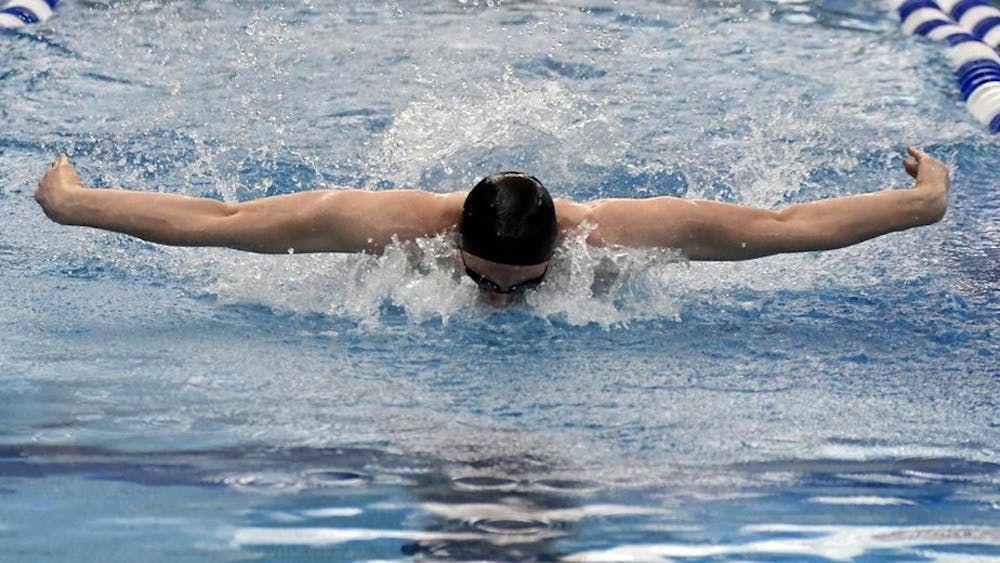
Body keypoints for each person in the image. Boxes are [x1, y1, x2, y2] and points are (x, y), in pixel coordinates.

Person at [35, 147, 950, 307]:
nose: (500, 301)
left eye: (523, 285)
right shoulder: (376, 223)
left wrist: (925, 201)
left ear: (562, 252)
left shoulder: (616, 234)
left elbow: (784, 225)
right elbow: (225, 222)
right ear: (451, 247)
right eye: (478, 281)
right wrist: (73, 204)